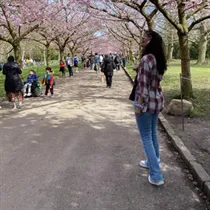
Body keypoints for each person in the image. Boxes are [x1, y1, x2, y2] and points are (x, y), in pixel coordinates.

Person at [134, 30, 167, 186]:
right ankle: (153, 162)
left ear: (151, 40)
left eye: (145, 37)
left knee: (146, 136)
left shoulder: (147, 58)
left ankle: (156, 175)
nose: (142, 39)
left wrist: (139, 105)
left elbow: (143, 86)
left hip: (146, 103)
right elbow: (153, 79)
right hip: (157, 101)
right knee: (152, 133)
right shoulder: (158, 59)